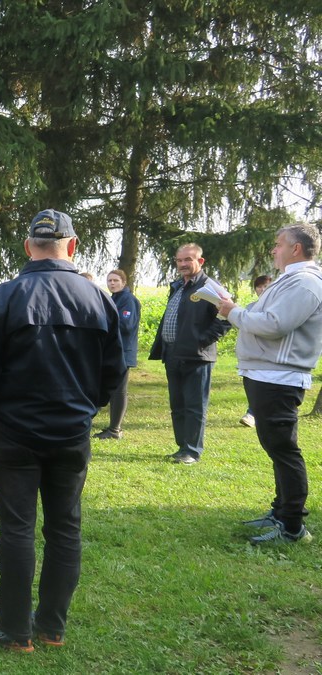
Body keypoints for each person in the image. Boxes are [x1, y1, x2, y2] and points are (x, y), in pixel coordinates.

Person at [0, 209, 124, 652]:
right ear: (71, 246)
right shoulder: (97, 298)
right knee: (65, 527)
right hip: (71, 431)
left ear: (28, 247)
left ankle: (16, 629)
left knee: (17, 528)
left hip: (15, 431)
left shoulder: (7, 296)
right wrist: (88, 408)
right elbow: (114, 371)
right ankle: (50, 626)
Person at [218, 223, 322, 546]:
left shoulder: (305, 284)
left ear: (296, 249)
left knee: (284, 450)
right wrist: (237, 311)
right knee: (277, 449)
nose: (273, 250)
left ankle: (292, 527)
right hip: (267, 375)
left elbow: (275, 325)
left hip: (279, 378)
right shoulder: (292, 281)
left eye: (278, 244)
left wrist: (234, 313)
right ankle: (280, 512)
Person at [149, 243, 231, 464]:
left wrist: (202, 341)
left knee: (194, 406)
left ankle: (192, 451)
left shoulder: (210, 287)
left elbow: (226, 317)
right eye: (179, 260)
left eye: (188, 260)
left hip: (197, 356)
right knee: (177, 405)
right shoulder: (177, 286)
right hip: (173, 354)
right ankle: (181, 447)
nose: (183, 264)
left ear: (200, 261)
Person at [94, 269, 142, 439]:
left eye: (115, 280)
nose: (112, 283)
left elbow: (126, 326)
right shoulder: (113, 299)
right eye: (109, 281)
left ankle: (115, 429)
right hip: (112, 351)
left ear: (124, 282)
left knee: (119, 391)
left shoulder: (128, 300)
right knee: (107, 387)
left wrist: (103, 321)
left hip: (123, 352)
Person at [239, 274, 273, 428]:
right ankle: (253, 413)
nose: (262, 289)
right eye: (259, 286)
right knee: (252, 384)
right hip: (251, 353)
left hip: (271, 354)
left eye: (265, 286)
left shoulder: (276, 306)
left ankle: (252, 414)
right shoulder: (250, 308)